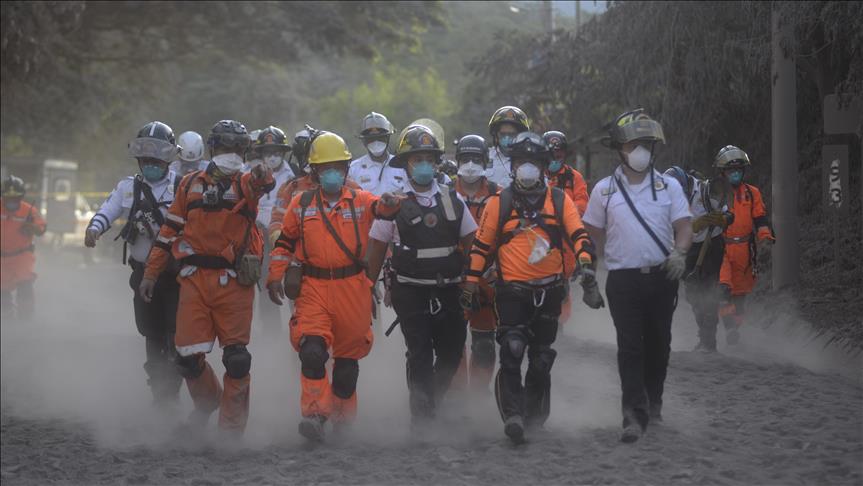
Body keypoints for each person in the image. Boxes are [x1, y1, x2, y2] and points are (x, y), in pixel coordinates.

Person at [463, 132, 602, 444]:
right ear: (512, 166)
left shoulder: (559, 200)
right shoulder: (499, 203)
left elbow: (579, 236)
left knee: (540, 359)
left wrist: (585, 265)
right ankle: (512, 416)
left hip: (550, 290)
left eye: (533, 162)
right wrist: (470, 284)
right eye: (521, 162)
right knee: (512, 350)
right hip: (511, 291)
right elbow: (481, 247)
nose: (527, 168)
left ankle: (533, 416)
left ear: (543, 166)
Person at [139, 120, 274, 436]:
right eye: (225, 147)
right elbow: (168, 232)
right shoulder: (189, 185)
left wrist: (260, 173)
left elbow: (262, 183)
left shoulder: (245, 182)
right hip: (194, 281)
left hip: (234, 282)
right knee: (185, 358)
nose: (231, 153)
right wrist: (151, 273)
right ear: (213, 149)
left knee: (237, 360)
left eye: (237, 148)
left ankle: (230, 432)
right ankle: (208, 400)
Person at [265, 131, 400, 441]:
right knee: (311, 351)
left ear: (346, 168)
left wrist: (392, 203)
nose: (332, 173)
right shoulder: (300, 203)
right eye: (326, 168)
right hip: (313, 287)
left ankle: (342, 421)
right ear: (314, 171)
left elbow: (382, 209)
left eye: (338, 167)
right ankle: (314, 415)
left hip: (352, 288)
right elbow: (284, 243)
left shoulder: (361, 199)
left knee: (347, 366)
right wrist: (275, 276)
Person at [582, 109, 692, 443]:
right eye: (633, 145)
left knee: (659, 345)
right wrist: (590, 275)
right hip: (623, 282)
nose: (640, 151)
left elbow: (684, 226)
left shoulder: (669, 186)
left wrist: (680, 252)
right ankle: (633, 415)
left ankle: (653, 402)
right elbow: (591, 237)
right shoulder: (603, 191)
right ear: (620, 149)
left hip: (662, 278)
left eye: (646, 144)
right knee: (630, 348)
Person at [366, 125, 477, 427]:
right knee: (419, 352)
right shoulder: (393, 204)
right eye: (418, 160)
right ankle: (422, 414)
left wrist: (475, 278)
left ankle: (433, 399)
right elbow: (377, 249)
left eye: (429, 159)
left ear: (437, 163)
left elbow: (472, 243)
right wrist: (367, 289)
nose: (424, 165)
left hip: (450, 289)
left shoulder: (454, 200)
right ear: (406, 164)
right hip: (410, 290)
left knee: (452, 351)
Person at [84, 121, 184, 404]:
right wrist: (94, 228)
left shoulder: (182, 186)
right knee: (151, 333)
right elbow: (108, 209)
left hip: (176, 276)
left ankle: (173, 389)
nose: (151, 162)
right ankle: (159, 393)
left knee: (176, 333)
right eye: (146, 155)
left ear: (169, 156)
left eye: (157, 156)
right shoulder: (128, 187)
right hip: (142, 275)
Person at [450, 134, 500, 393]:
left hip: (487, 278)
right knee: (452, 342)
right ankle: (456, 397)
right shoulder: (444, 193)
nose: (470, 165)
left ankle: (478, 396)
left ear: (485, 161)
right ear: (457, 161)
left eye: (476, 159)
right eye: (465, 159)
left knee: (484, 344)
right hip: (453, 278)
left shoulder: (499, 195)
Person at [665, 166, 734, 353]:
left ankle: (708, 342)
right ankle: (704, 335)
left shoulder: (706, 191)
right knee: (693, 294)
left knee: (708, 290)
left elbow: (730, 214)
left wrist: (722, 220)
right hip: (688, 246)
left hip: (712, 245)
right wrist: (693, 226)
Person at [713, 145, 774, 345]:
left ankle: (735, 325)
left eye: (738, 170)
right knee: (723, 289)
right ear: (722, 172)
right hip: (721, 248)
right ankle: (729, 327)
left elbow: (760, 218)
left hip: (745, 251)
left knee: (739, 296)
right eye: (731, 170)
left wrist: (765, 237)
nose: (735, 174)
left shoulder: (752, 193)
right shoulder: (715, 193)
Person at [248, 126, 296, 336]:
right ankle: (271, 334)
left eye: (276, 152)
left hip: (289, 236)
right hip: (260, 237)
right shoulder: (249, 174)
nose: (272, 157)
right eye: (267, 152)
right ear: (260, 154)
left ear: (283, 152)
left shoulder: (294, 175)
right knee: (266, 283)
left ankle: (300, 327)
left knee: (295, 281)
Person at [543, 130, 590, 325]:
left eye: (559, 154)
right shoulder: (534, 174)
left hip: (565, 239)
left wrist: (565, 212)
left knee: (562, 284)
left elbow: (583, 203)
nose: (556, 157)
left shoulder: (574, 177)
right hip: (539, 236)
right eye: (552, 154)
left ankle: (559, 325)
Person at [1, 175, 47, 321]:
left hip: (22, 256)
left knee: (25, 283)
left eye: (15, 198)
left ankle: (26, 319)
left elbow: (41, 229)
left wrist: (32, 227)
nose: (11, 201)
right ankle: (7, 319)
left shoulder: (29, 210)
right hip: (2, 258)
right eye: (8, 197)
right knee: (2, 290)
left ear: (21, 196)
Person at [348, 112, 407, 195]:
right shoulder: (353, 170)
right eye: (371, 139)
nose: (376, 142)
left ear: (388, 138)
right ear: (364, 141)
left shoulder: (402, 166)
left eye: (380, 138)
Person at [486, 106, 530, 188]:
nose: (507, 138)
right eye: (502, 134)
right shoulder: (485, 157)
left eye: (512, 134)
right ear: (495, 135)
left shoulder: (530, 160)